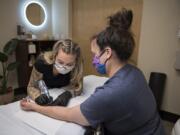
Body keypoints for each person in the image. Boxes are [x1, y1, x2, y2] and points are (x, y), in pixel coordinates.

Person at [20, 9, 165, 135]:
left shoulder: (111, 93)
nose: (94, 59)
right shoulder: (134, 72)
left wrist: (34, 107)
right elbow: (32, 85)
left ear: (107, 53)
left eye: (95, 54)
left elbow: (69, 114)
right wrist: (36, 97)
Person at [27, 39, 83, 106]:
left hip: (63, 90)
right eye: (60, 62)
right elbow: (31, 86)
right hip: (45, 92)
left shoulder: (77, 66)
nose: (64, 67)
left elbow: (79, 86)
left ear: (75, 62)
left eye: (69, 64)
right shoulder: (42, 63)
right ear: (54, 55)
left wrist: (68, 94)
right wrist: (37, 96)